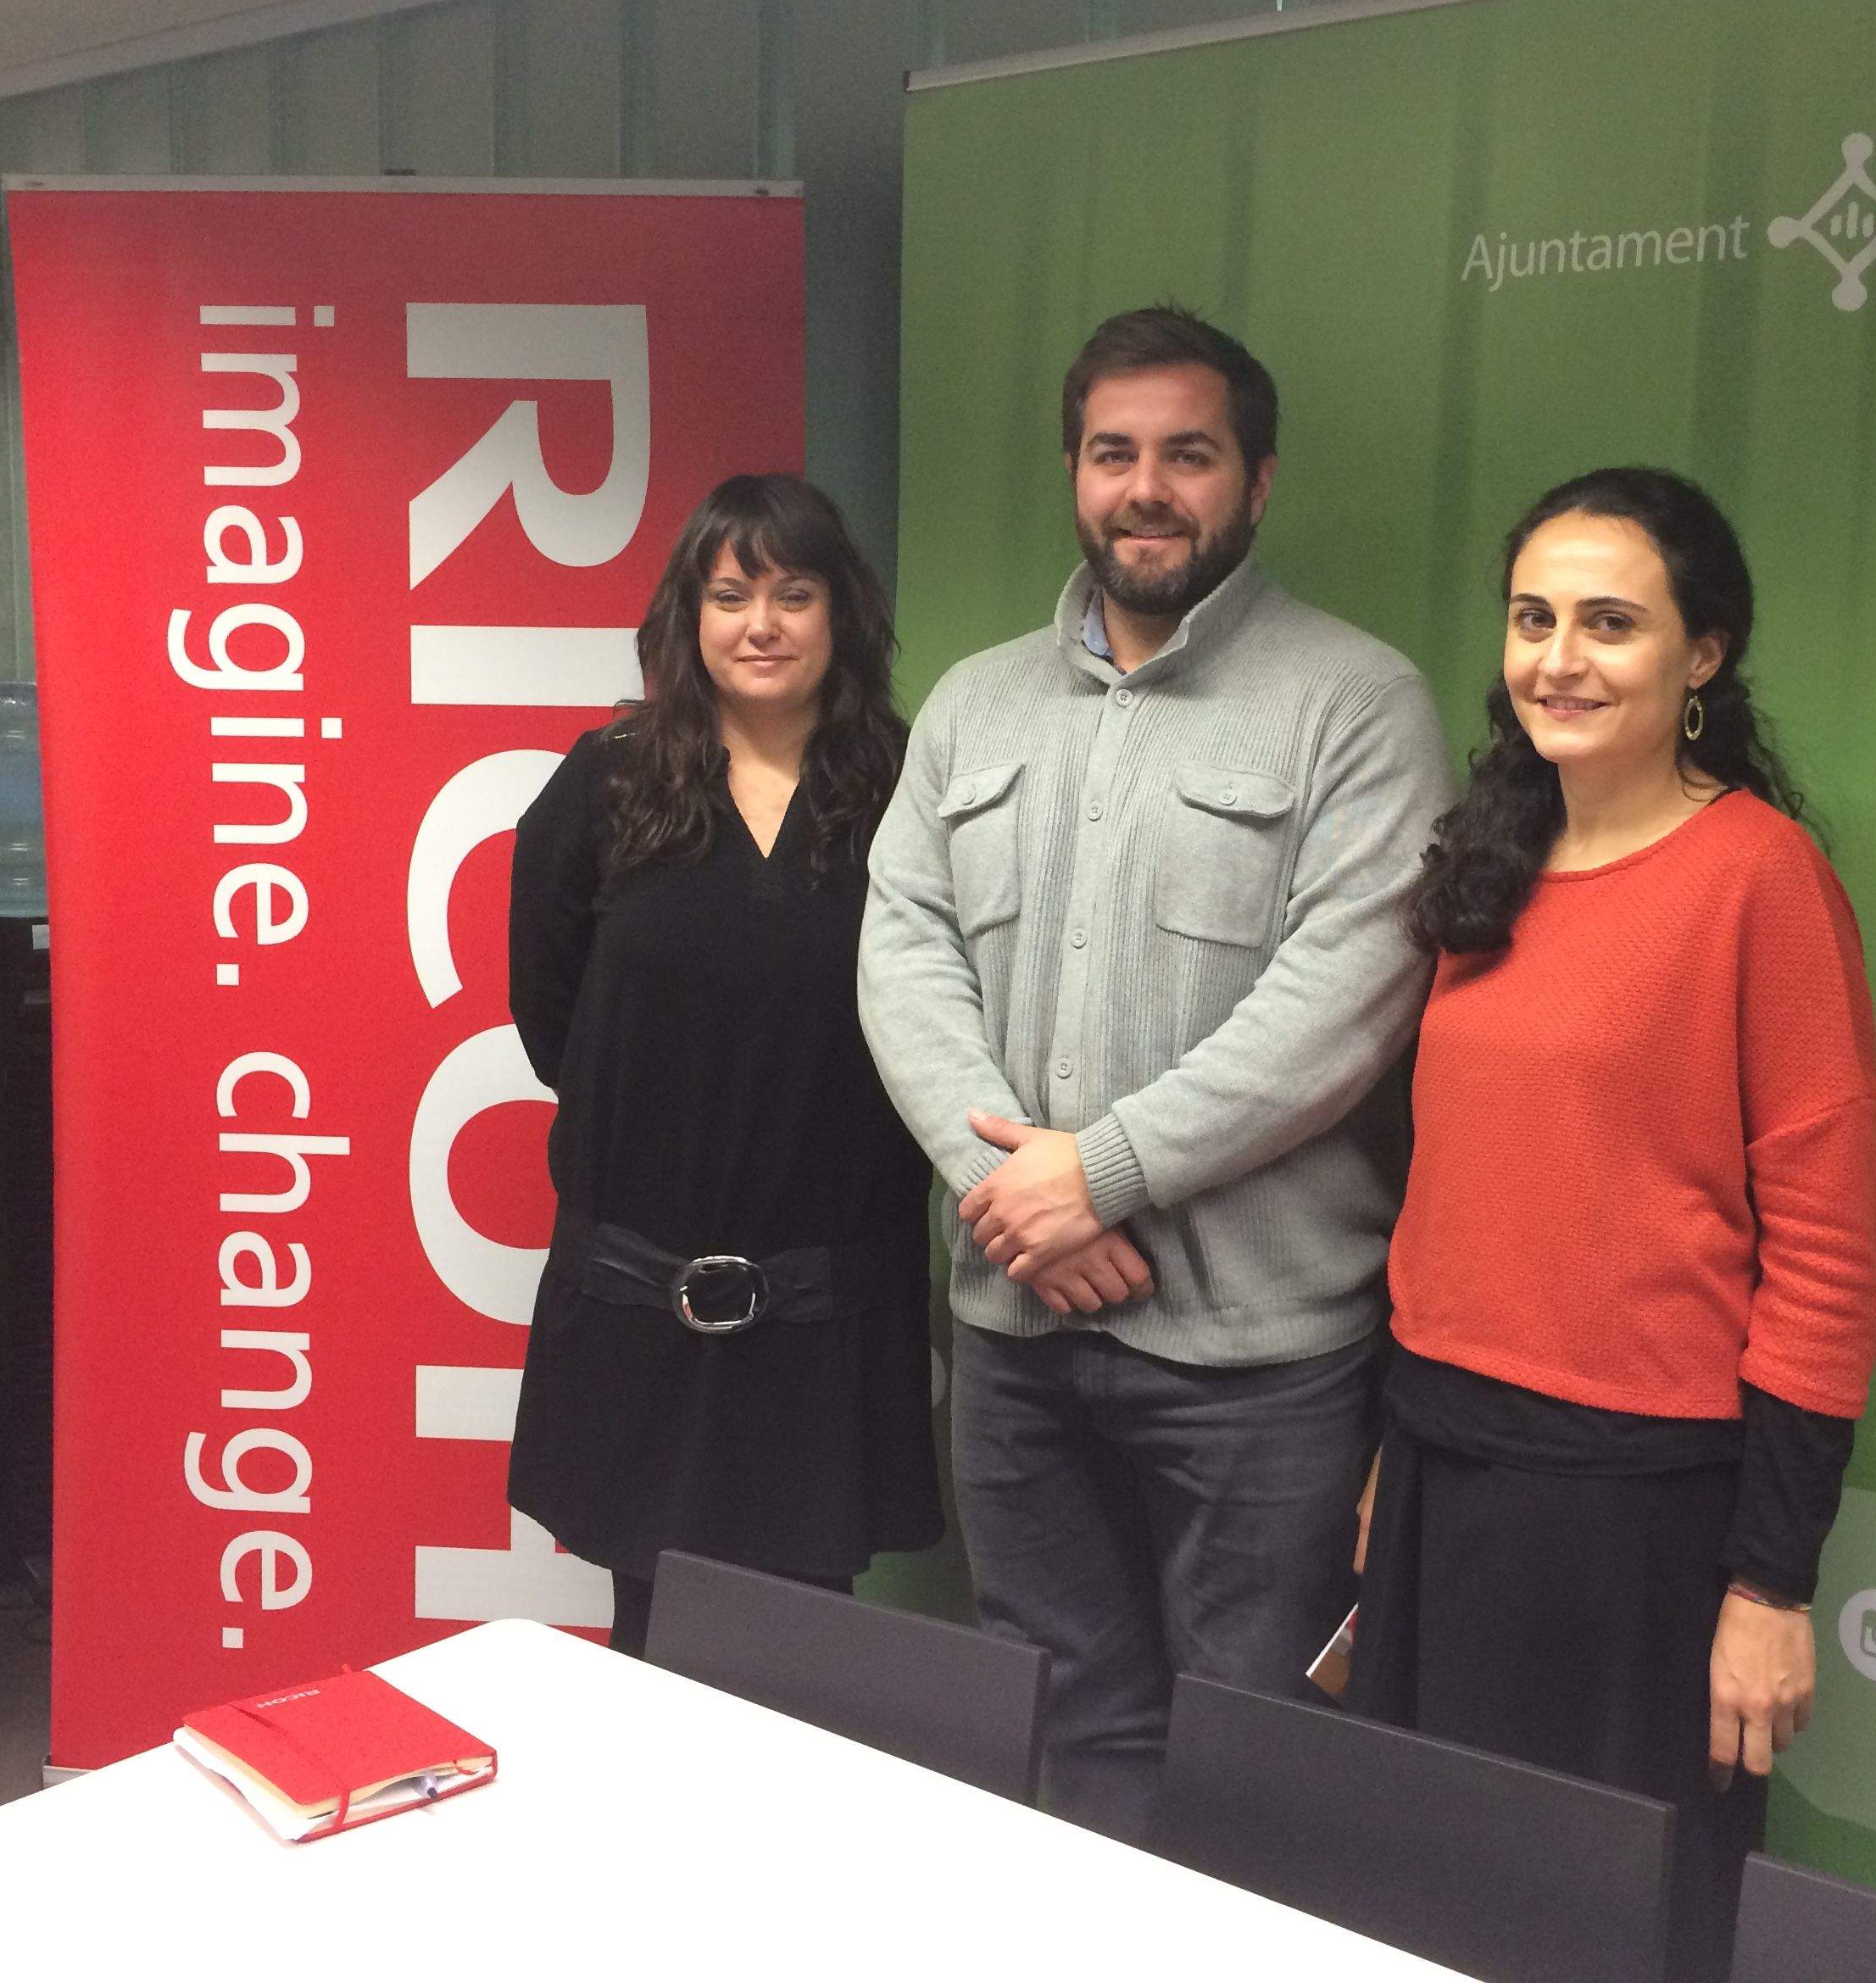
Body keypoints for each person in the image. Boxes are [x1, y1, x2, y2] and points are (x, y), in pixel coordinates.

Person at [858, 305, 1454, 1842]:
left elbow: (1348, 996)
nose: (1147, 487)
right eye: (1115, 453)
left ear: (1255, 483)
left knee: (1259, 1765)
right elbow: (902, 949)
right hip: (1013, 1336)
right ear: (1074, 472)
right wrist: (1016, 1196)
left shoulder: (1356, 701)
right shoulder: (978, 705)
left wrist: (1097, 1173)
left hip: (1259, 1372)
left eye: (1188, 455)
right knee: (1061, 1741)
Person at [1348, 467, 1876, 1983]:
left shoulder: (1762, 882)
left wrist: (1773, 1583)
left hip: (1639, 1517)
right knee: (1427, 1908)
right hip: (1446, 1471)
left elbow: (1829, 1261)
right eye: (1532, 620)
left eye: (1609, 623)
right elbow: (1466, 1193)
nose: (1558, 659)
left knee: (1603, 1936)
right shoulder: (1488, 864)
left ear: (1703, 655)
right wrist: (1402, 1452)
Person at [506, 474, 941, 1657]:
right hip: (645, 1291)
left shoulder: (910, 791)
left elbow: (946, 1018)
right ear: (688, 618)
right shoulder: (606, 782)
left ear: (840, 615)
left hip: (824, 1300)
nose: (762, 623)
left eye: (795, 594)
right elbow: (553, 1019)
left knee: (805, 1651)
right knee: (649, 1645)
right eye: (731, 593)